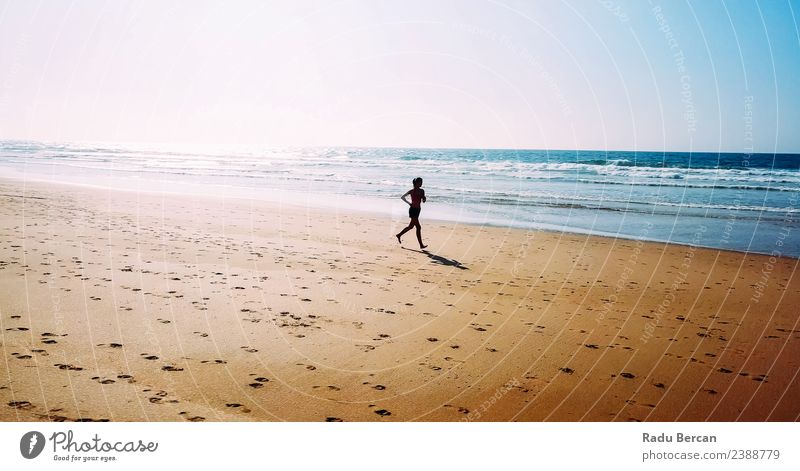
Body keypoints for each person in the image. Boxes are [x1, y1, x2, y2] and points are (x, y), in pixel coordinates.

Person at [396, 177, 427, 249]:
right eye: (420, 182)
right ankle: (421, 245)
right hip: (413, 210)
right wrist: (409, 203)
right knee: (418, 227)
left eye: (422, 182)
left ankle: (399, 235)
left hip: (418, 210)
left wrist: (424, 199)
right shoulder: (411, 191)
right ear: (416, 183)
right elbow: (402, 197)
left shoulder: (422, 191)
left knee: (411, 227)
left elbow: (423, 200)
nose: (421, 183)